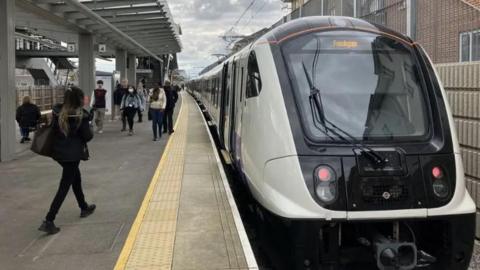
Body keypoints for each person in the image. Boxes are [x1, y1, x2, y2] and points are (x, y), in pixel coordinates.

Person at [38, 86, 96, 235]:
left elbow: (55, 130)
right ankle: (49, 220)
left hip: (59, 154)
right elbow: (87, 136)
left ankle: (83, 207)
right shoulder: (81, 115)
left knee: (76, 178)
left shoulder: (58, 112)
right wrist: (90, 125)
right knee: (64, 185)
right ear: (78, 99)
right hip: (73, 154)